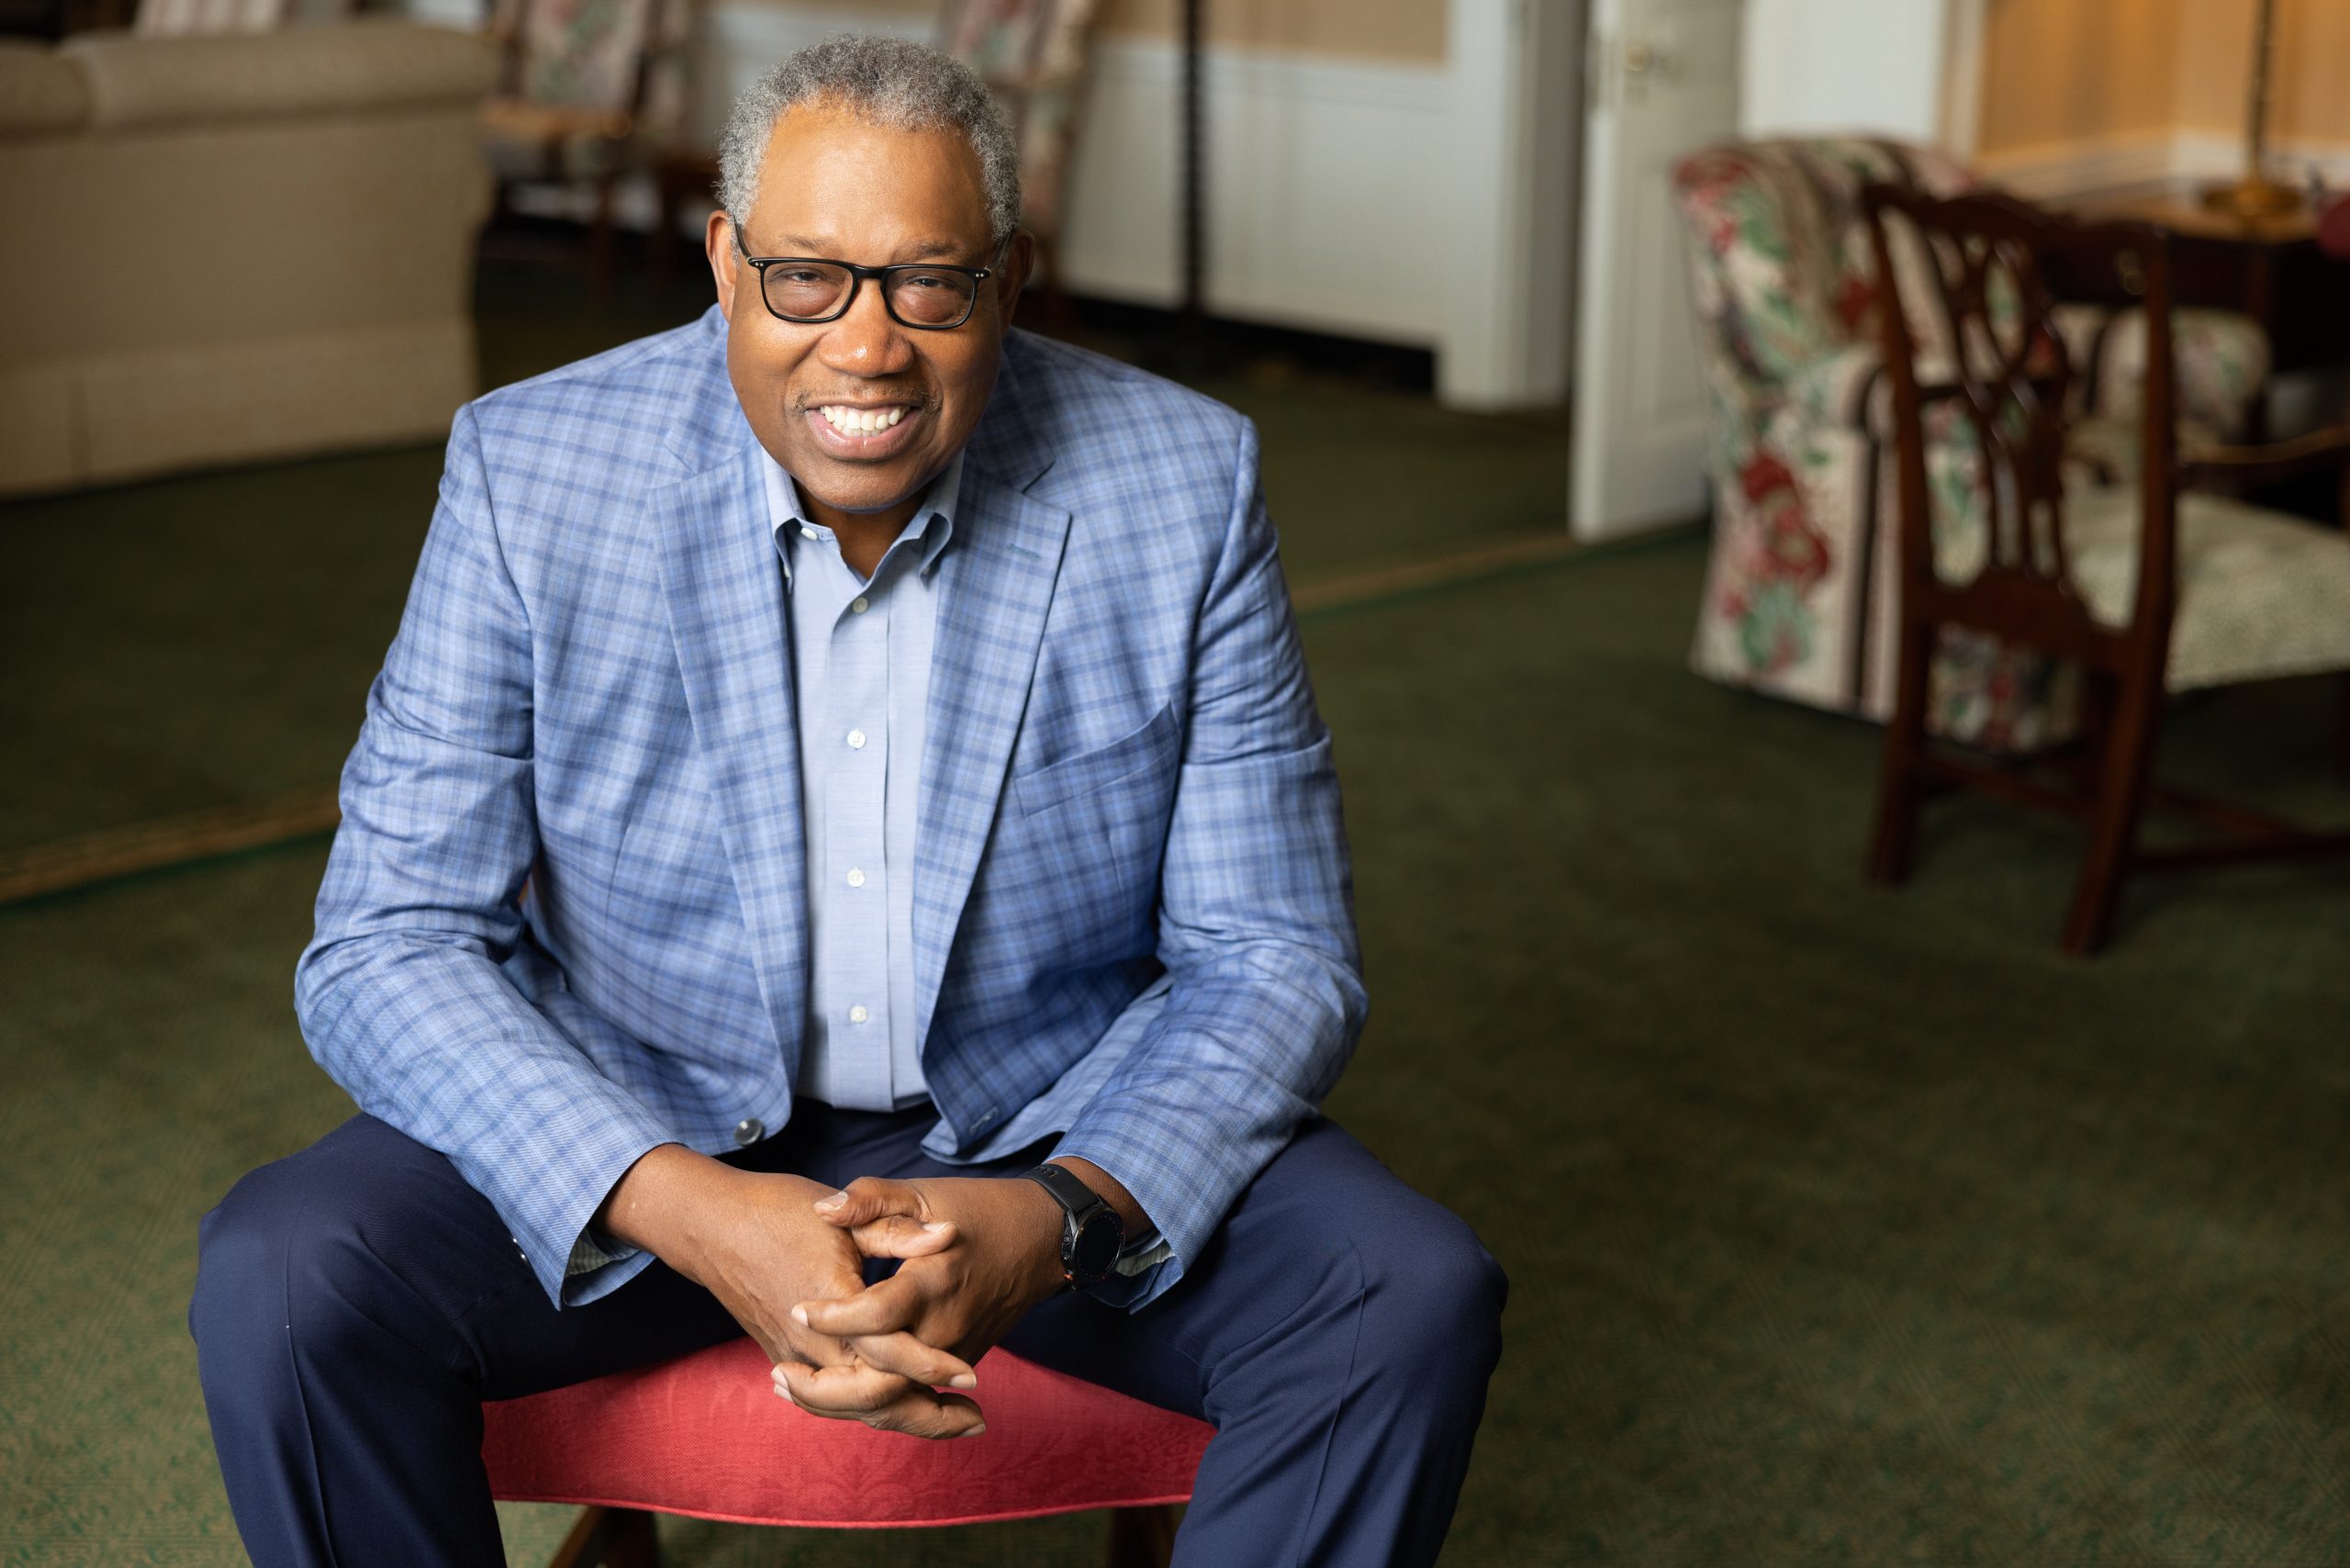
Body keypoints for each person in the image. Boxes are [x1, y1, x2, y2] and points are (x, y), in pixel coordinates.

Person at [190, 35, 1505, 1568]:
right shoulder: (529, 470)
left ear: (1007, 278)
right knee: (286, 1278)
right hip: (647, 1122)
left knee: (1405, 1294)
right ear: (726, 266)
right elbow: (383, 939)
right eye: (807, 276)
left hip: (1040, 1131)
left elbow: (1276, 955)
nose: (866, 348)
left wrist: (1057, 1217)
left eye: (927, 284)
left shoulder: (1184, 483)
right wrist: (687, 1209)